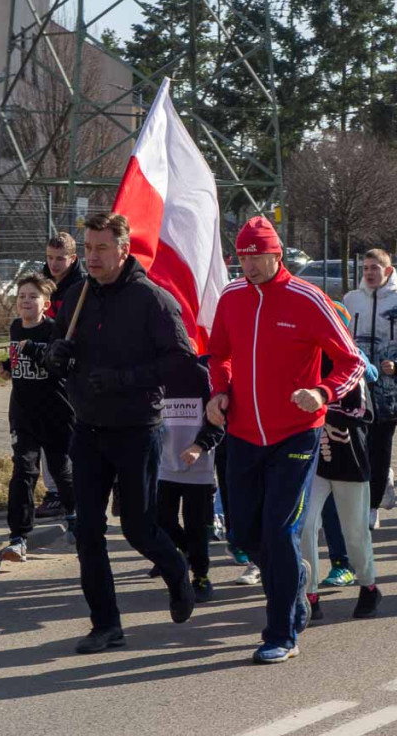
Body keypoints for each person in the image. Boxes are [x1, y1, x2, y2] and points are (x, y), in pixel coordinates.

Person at [207, 216, 366, 664]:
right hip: (242, 433)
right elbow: (218, 354)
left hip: (296, 433)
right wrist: (219, 390)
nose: (249, 264)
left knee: (278, 530)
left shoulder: (307, 298)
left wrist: (321, 392)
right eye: (242, 255)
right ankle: (293, 574)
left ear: (276, 253)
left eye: (256, 255)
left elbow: (351, 361)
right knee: (241, 531)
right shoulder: (232, 297)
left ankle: (282, 631)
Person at [47, 213, 198, 655]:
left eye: (101, 249)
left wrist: (123, 379)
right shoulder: (75, 297)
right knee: (88, 532)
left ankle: (176, 571)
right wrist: (56, 356)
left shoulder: (151, 300)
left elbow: (181, 361)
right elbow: (59, 351)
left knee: (138, 528)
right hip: (88, 429)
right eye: (88, 248)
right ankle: (106, 625)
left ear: (123, 250)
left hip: (136, 430)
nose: (92, 257)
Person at [300, 301, 382, 619]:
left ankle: (369, 586)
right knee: (305, 525)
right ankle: (309, 593)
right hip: (314, 461)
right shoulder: (305, 360)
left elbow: (362, 411)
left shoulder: (351, 363)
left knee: (355, 532)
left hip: (349, 461)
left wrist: (320, 404)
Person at [344, 249, 397, 530]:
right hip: (355, 390)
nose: (369, 273)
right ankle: (364, 497)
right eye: (365, 267)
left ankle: (372, 506)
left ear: (388, 271)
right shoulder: (350, 300)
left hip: (389, 393)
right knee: (357, 448)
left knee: (380, 450)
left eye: (375, 268)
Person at [0, 274, 76, 563]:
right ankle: (18, 537)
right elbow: (18, 357)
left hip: (55, 413)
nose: (26, 301)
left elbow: (60, 365)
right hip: (23, 414)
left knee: (60, 470)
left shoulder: (55, 330)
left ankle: (75, 516)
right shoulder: (15, 327)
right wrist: (8, 366)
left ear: (45, 303)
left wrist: (34, 349)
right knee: (23, 471)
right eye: (21, 297)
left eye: (32, 297)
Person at [154, 357, 225, 603]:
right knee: (161, 520)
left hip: (198, 469)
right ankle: (184, 552)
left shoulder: (201, 375)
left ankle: (201, 577)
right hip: (164, 466)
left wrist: (199, 445)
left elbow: (219, 421)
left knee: (197, 526)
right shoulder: (154, 371)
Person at [36, 232, 88, 519]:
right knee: (48, 434)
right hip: (46, 370)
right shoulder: (42, 284)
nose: (54, 264)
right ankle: (55, 491)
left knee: (74, 433)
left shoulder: (81, 288)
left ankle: (81, 487)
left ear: (73, 258)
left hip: (73, 370)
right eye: (50, 257)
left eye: (60, 259)